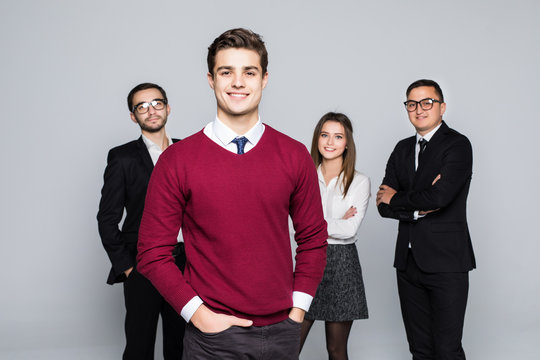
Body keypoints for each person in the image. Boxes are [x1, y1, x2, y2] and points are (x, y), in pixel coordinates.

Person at [136, 28, 328, 360]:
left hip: (283, 330)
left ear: (264, 79)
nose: (238, 82)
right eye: (227, 72)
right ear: (211, 79)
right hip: (212, 338)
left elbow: (313, 238)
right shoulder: (177, 161)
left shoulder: (294, 155)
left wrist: (298, 310)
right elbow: (152, 252)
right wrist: (198, 314)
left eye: (249, 72)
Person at [376, 79, 475, 359]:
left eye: (426, 102)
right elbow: (382, 205)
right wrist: (418, 205)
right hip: (408, 264)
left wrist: (398, 198)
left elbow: (440, 197)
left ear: (442, 107)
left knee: (447, 350)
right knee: (419, 350)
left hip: (447, 263)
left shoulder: (457, 145)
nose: (419, 109)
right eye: (411, 104)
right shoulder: (402, 148)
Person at [97, 83, 186, 360]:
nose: (151, 110)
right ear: (133, 116)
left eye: (157, 103)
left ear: (168, 108)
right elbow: (107, 218)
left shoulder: (189, 152)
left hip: (186, 264)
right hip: (142, 264)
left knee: (182, 344)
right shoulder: (122, 158)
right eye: (142, 106)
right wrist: (126, 268)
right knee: (139, 345)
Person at [299, 112, 370, 360]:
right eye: (325, 135)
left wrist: (311, 222)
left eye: (338, 136)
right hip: (307, 259)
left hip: (343, 265)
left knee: (336, 350)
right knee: (287, 346)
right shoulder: (303, 177)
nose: (330, 142)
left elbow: (350, 230)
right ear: (317, 138)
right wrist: (334, 223)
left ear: (347, 142)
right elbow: (293, 224)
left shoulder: (359, 182)